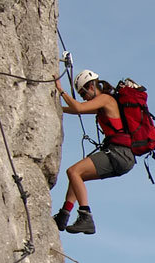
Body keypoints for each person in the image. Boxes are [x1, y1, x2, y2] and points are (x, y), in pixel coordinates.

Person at [54, 69, 136, 234]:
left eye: (83, 92)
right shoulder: (103, 103)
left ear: (91, 85)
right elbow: (77, 109)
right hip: (121, 156)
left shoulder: (105, 99)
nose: (83, 97)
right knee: (78, 175)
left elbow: (77, 107)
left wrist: (60, 90)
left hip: (119, 153)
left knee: (73, 171)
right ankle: (64, 215)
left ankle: (86, 216)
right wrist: (58, 108)